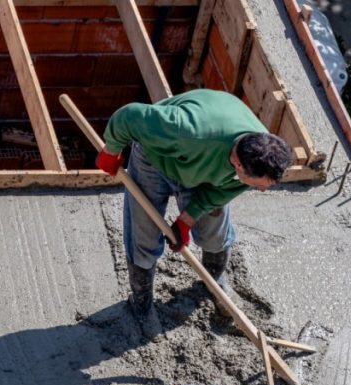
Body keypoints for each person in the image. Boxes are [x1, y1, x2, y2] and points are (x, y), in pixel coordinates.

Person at [95, 89, 293, 326]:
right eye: (258, 185)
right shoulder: (185, 130)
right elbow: (128, 117)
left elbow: (221, 191)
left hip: (202, 172)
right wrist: (112, 149)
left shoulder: (260, 155)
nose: (261, 190)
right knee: (144, 235)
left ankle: (216, 277)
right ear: (238, 165)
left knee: (213, 231)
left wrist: (186, 220)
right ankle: (142, 303)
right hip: (155, 160)